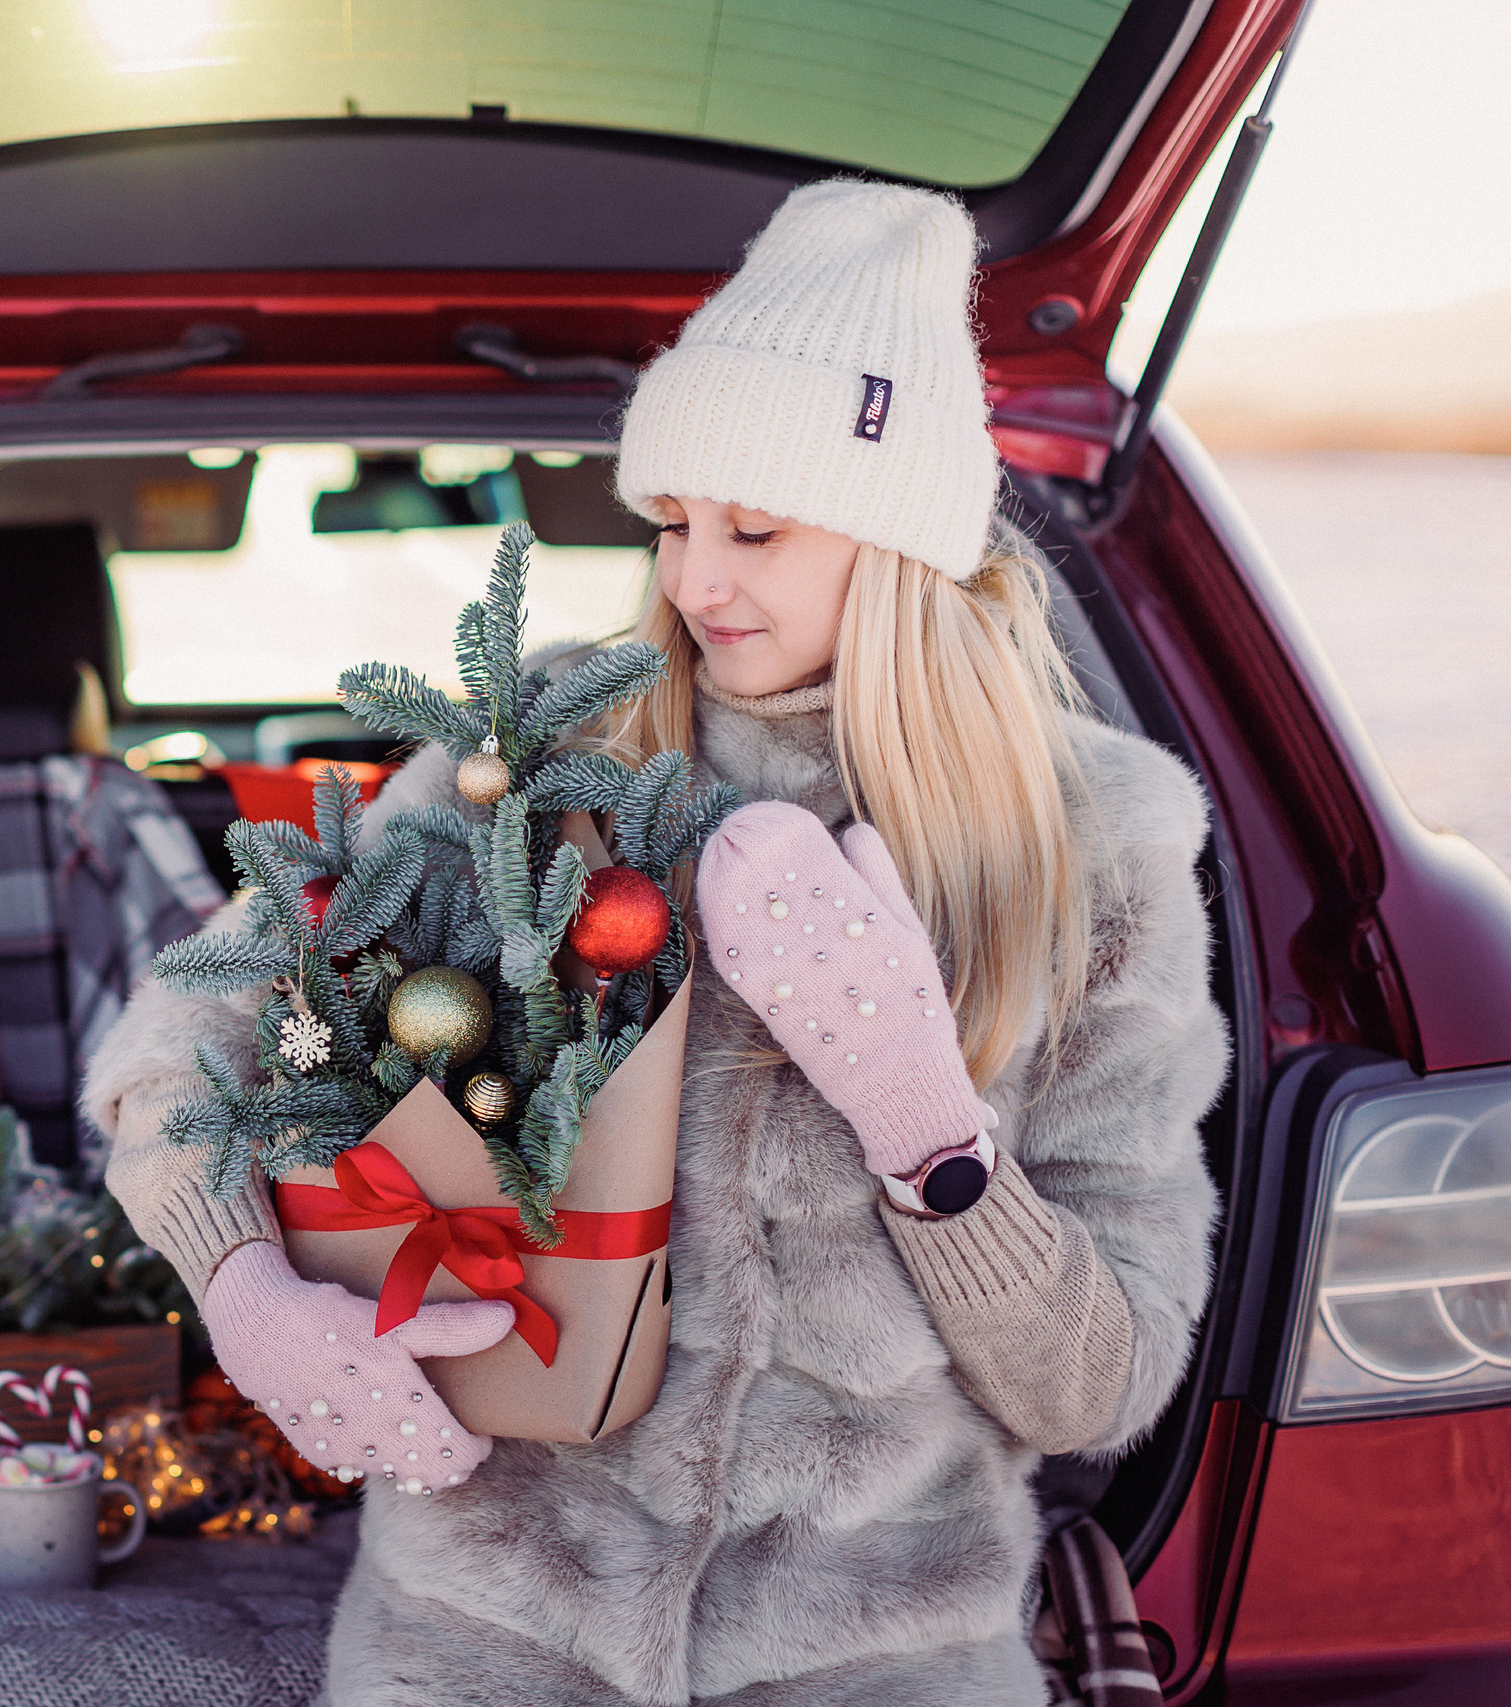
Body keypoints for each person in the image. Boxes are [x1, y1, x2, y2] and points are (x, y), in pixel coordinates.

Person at [81, 180, 1224, 1705]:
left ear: (897, 544)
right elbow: (180, 1047)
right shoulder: (542, 749)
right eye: (674, 522)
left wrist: (929, 1131)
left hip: (878, 1666)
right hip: (479, 1643)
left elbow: (1104, 1388)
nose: (695, 582)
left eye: (755, 527)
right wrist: (243, 1289)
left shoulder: (1097, 849)